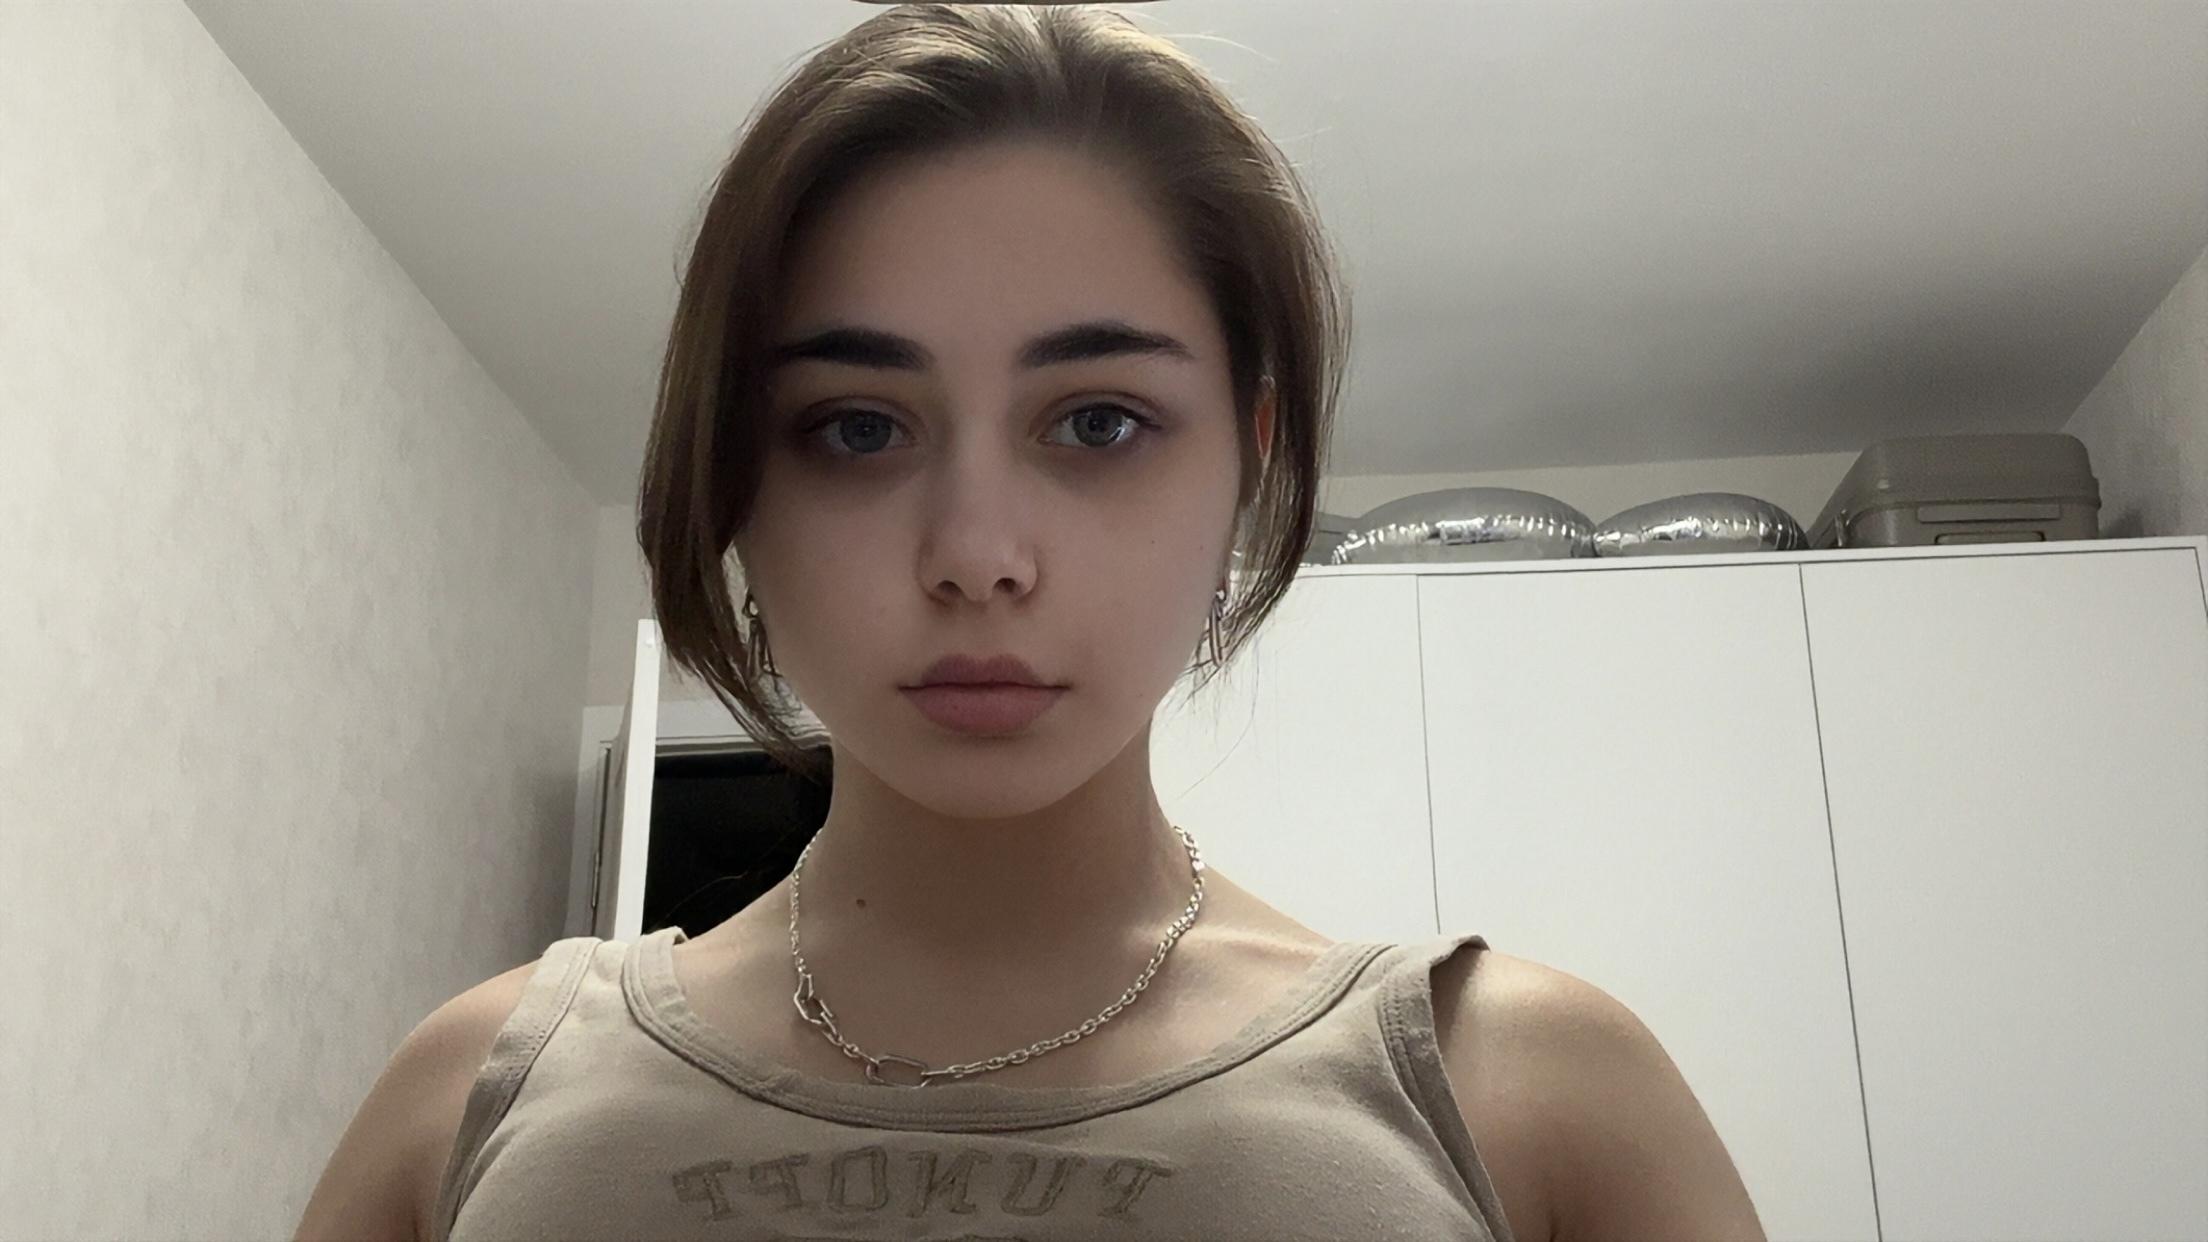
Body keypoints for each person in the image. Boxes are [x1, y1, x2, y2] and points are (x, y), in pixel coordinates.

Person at [296, 5, 1765, 1240]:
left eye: (1100, 421)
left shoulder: (1529, 1097)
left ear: (1246, 462)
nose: (977, 557)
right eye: (858, 428)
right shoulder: (471, 1096)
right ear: (735, 480)